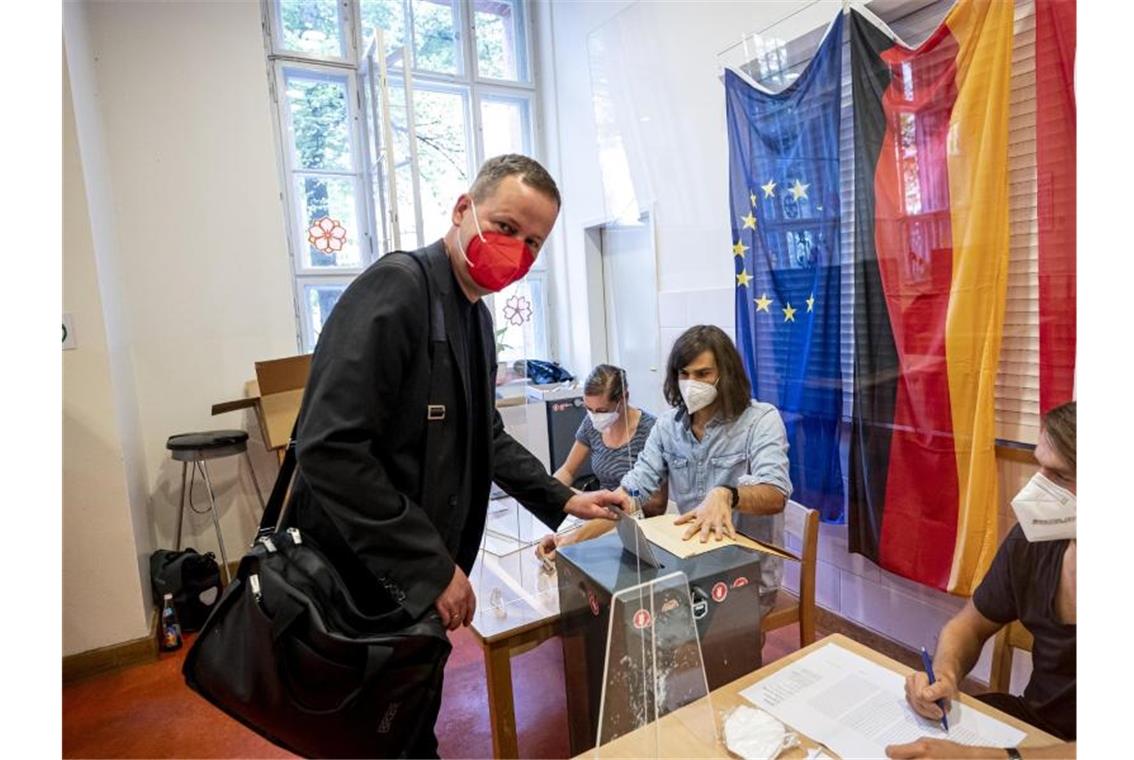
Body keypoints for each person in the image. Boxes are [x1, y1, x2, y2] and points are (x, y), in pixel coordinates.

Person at [286, 154, 622, 757]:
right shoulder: (397, 289)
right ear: (463, 209)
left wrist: (566, 496)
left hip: (410, 592)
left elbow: (483, 435)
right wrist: (431, 568)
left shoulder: (473, 316)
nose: (516, 249)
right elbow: (328, 447)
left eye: (533, 243)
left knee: (410, 726)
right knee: (373, 735)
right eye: (505, 226)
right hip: (363, 581)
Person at [887, 402, 1077, 760]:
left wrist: (980, 758)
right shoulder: (1033, 543)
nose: (1036, 489)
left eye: (1059, 476)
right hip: (1034, 727)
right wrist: (944, 672)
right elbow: (968, 628)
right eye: (1039, 467)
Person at [615, 324, 792, 618]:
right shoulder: (667, 426)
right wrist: (573, 534)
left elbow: (775, 494)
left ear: (726, 375)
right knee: (635, 615)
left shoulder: (761, 420)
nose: (690, 383)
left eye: (702, 374)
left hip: (747, 574)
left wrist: (727, 495)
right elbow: (632, 490)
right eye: (684, 374)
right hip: (689, 564)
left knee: (694, 635)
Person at [537, 364, 668, 557]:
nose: (594, 416)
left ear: (624, 399)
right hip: (600, 515)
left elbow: (656, 504)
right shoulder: (591, 424)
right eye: (589, 409)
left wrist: (570, 539)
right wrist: (550, 498)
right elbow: (567, 471)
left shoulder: (651, 431)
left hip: (635, 524)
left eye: (601, 410)